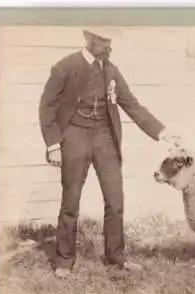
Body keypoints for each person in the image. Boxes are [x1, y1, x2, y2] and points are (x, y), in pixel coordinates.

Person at [38, 28, 182, 278]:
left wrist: (162, 132)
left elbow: (132, 105)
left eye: (110, 42)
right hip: (75, 135)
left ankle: (115, 258)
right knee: (70, 201)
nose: (108, 47)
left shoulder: (111, 70)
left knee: (115, 201)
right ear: (88, 39)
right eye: (103, 42)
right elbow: (46, 107)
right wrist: (53, 145)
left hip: (105, 138)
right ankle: (63, 261)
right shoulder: (65, 67)